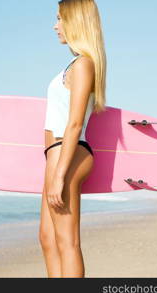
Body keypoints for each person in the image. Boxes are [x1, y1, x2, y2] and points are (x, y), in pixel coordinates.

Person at [39, 0, 107, 278]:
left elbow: (75, 122)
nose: (55, 26)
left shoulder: (84, 65)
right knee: (47, 238)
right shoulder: (73, 64)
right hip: (55, 155)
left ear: (75, 22)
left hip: (67, 154)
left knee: (68, 241)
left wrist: (59, 175)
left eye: (60, 19)